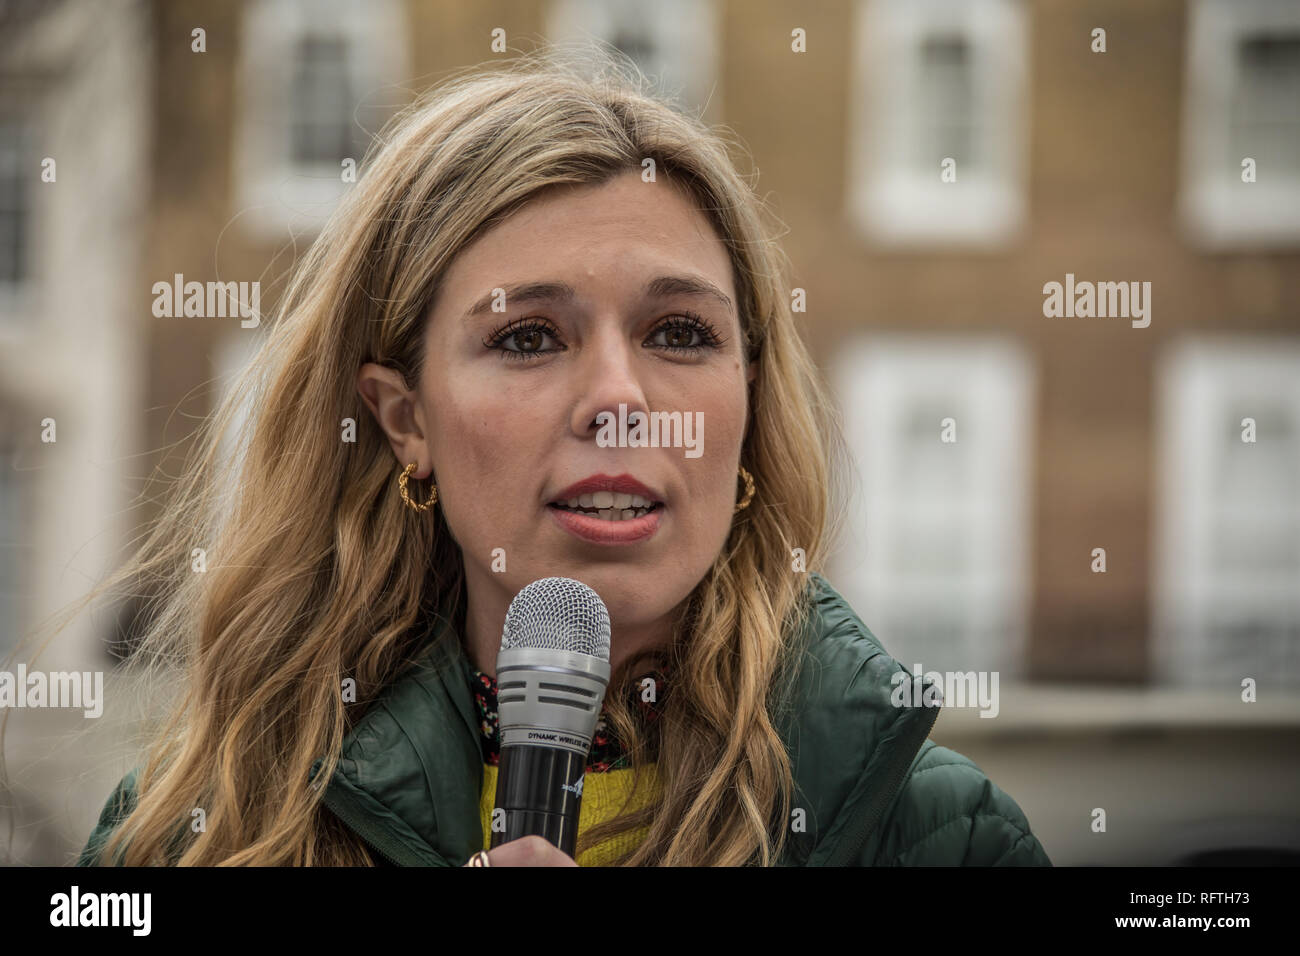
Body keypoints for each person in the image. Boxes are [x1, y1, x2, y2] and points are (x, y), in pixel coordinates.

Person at [77, 45, 1050, 867]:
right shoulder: (197, 830)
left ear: (749, 404)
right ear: (403, 418)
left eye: (678, 332)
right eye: (529, 338)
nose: (620, 401)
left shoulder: (942, 835)